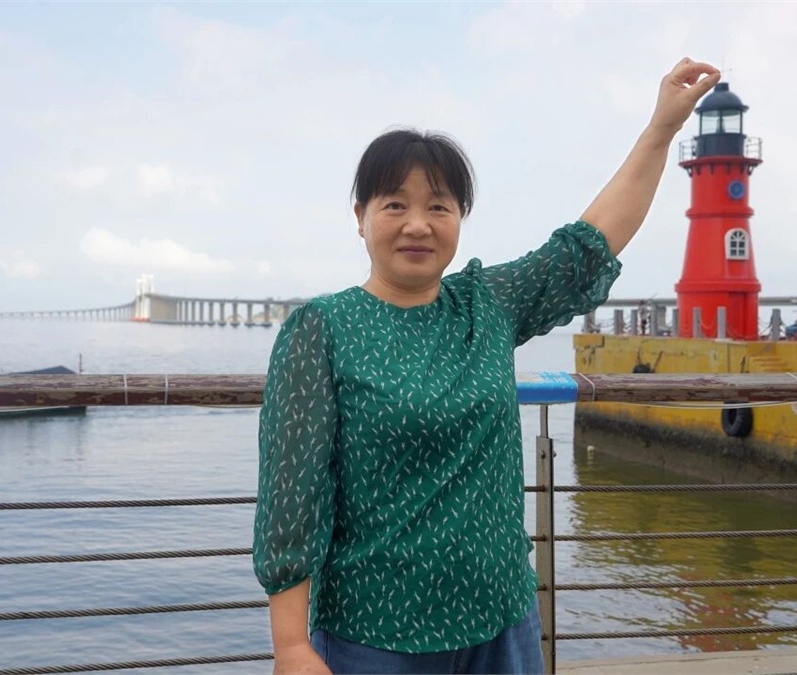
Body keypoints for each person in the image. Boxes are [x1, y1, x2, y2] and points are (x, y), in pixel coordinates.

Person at [253, 58, 721, 675]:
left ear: (459, 219)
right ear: (360, 217)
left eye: (439, 207)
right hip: (377, 632)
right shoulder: (322, 328)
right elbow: (293, 494)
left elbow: (590, 242)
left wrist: (661, 129)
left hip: (501, 619)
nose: (418, 225)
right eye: (394, 205)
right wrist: (291, 645)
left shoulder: (487, 303)